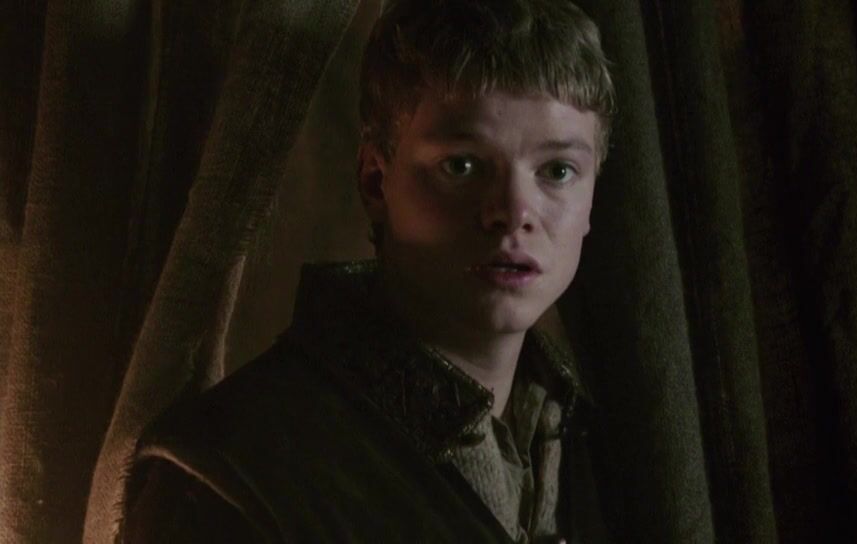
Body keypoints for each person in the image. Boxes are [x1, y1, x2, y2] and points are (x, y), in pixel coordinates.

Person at [119, 0, 616, 542]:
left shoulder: (601, 449)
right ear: (376, 181)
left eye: (557, 171)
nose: (514, 212)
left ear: (592, 197)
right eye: (462, 165)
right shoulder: (233, 470)